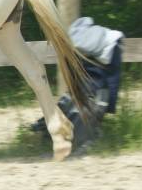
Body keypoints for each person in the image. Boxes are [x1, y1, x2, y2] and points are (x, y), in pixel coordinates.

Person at [30, 16, 124, 152]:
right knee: (91, 92)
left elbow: (111, 79)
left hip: (104, 47)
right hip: (94, 48)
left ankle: (89, 130)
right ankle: (86, 129)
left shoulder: (84, 45)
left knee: (101, 93)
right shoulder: (76, 44)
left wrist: (110, 106)